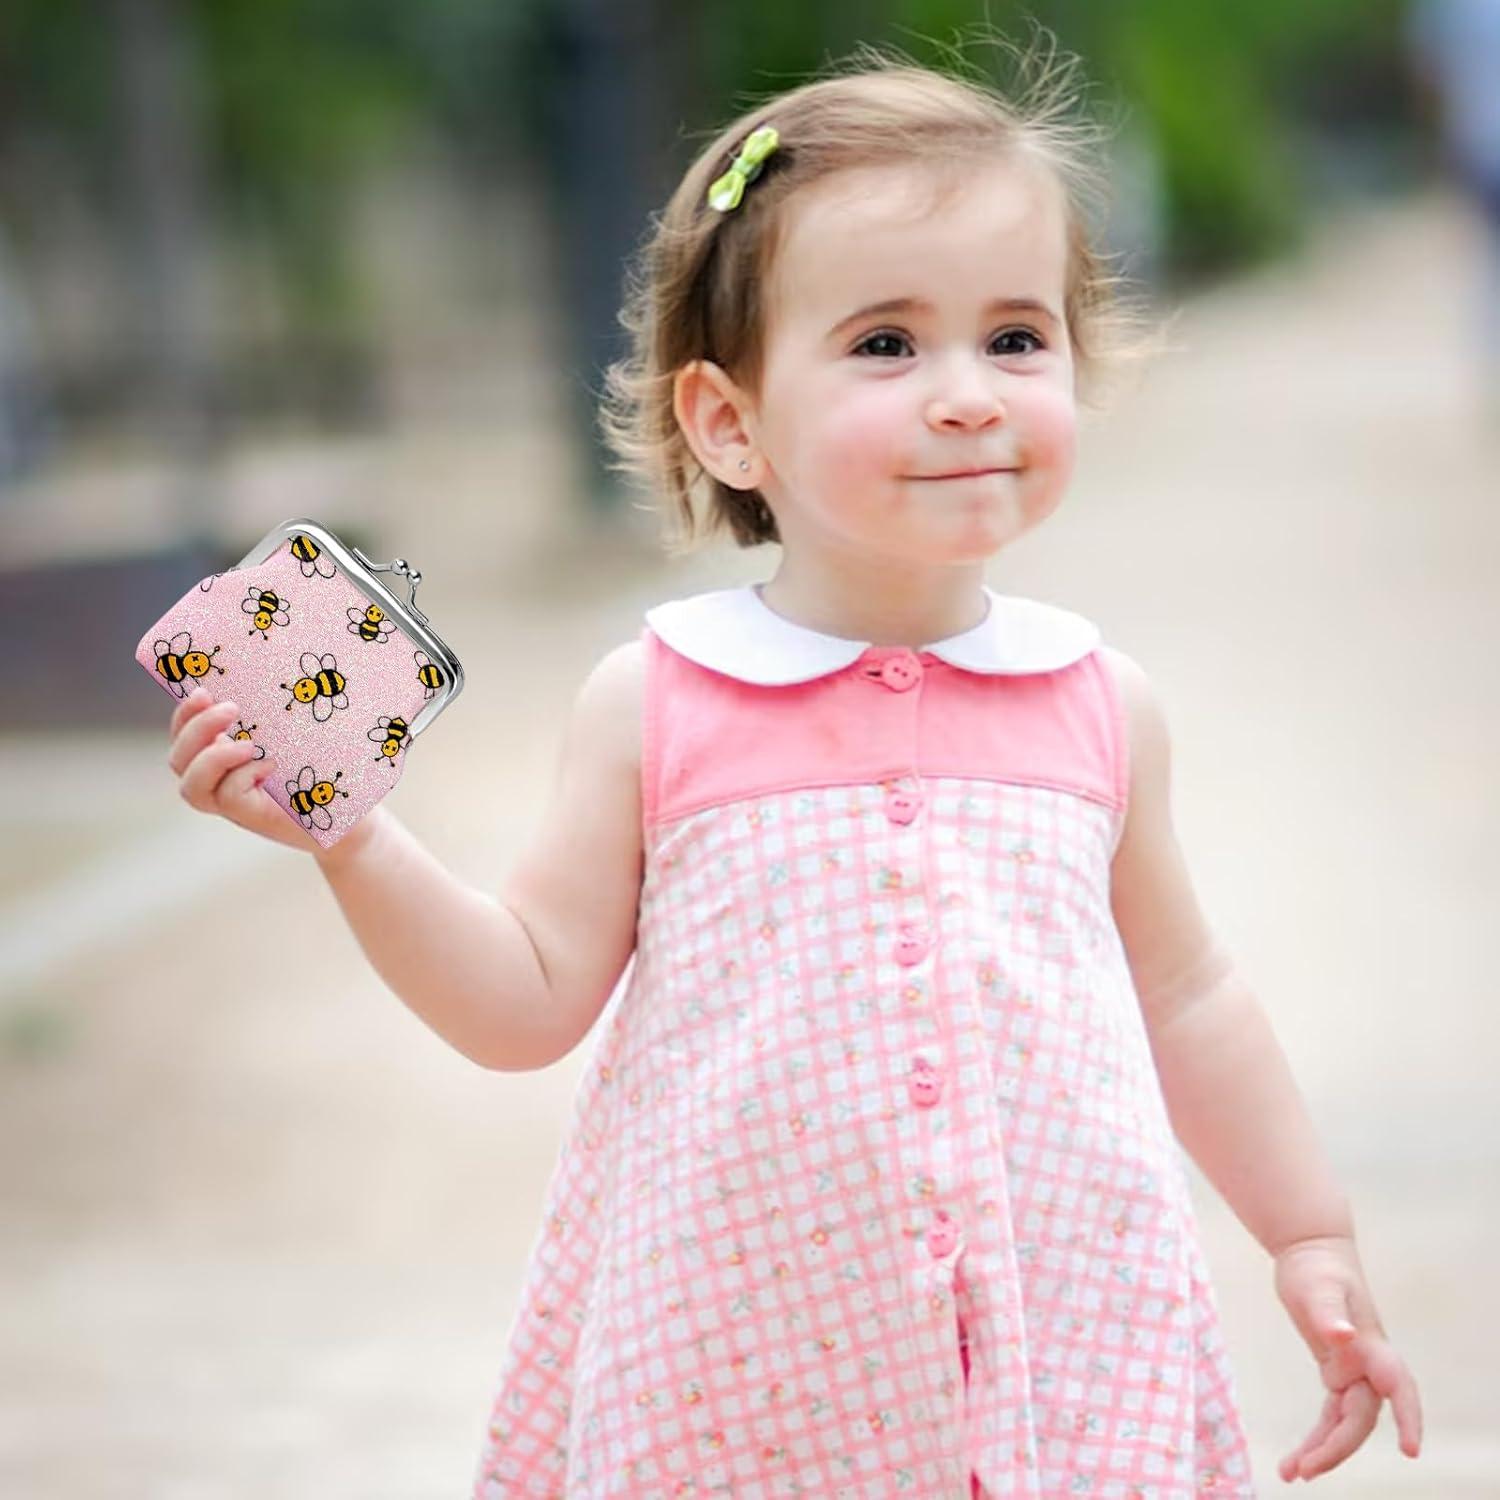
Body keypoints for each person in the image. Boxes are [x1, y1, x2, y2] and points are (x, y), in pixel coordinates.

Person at [163, 37, 1424, 1498]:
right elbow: (522, 1002)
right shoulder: (660, 702)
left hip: (1060, 1346)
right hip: (745, 1358)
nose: (967, 393)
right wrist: (353, 842)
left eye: (1016, 337)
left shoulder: (1097, 703)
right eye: (886, 344)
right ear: (729, 422)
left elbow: (1190, 993)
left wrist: (1310, 1234)